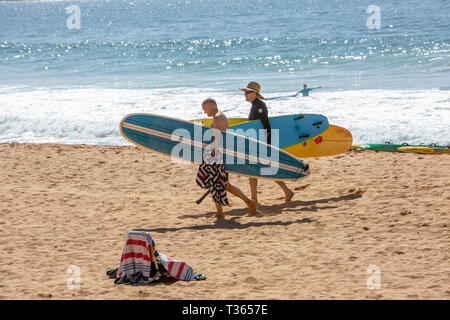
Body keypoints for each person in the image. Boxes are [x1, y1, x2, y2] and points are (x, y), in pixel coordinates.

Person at [239, 82, 294, 206]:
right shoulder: (255, 105)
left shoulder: (260, 106)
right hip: (256, 142)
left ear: (254, 94)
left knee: (258, 169)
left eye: (247, 92)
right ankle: (283, 192)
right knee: (256, 170)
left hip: (260, 143)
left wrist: (267, 145)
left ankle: (258, 198)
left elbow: (266, 126)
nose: (245, 95)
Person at [201, 98, 257, 218]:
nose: (205, 112)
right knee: (224, 184)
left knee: (217, 183)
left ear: (211, 105)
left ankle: (224, 211)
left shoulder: (217, 117)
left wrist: (212, 155)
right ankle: (247, 203)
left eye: (205, 109)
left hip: (218, 155)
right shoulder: (219, 116)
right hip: (220, 154)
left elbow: (218, 138)